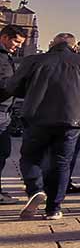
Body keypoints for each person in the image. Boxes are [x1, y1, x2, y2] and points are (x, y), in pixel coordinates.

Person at [1, 33, 80, 220]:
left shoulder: (33, 60)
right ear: (74, 47)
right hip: (72, 120)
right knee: (61, 163)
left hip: (37, 117)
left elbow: (12, 87)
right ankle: (53, 208)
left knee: (30, 157)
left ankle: (35, 189)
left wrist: (31, 90)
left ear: (52, 44)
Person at [0, 24, 28, 201]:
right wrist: (21, 86)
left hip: (4, 110)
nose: (18, 46)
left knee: (3, 152)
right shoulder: (1, 58)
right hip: (0, 110)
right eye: (16, 42)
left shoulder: (6, 56)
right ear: (4, 37)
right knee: (1, 151)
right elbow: (4, 84)